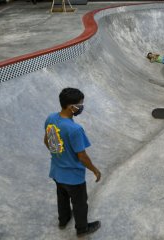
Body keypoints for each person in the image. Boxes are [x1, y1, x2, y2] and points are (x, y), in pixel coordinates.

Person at [44, 88, 101, 237]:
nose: (81, 107)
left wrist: (58, 155)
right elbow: (82, 156)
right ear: (71, 107)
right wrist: (95, 170)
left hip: (57, 171)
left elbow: (47, 140)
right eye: (80, 105)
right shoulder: (75, 129)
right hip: (73, 177)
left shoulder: (50, 118)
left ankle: (63, 220)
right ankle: (82, 229)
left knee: (62, 197)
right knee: (80, 203)